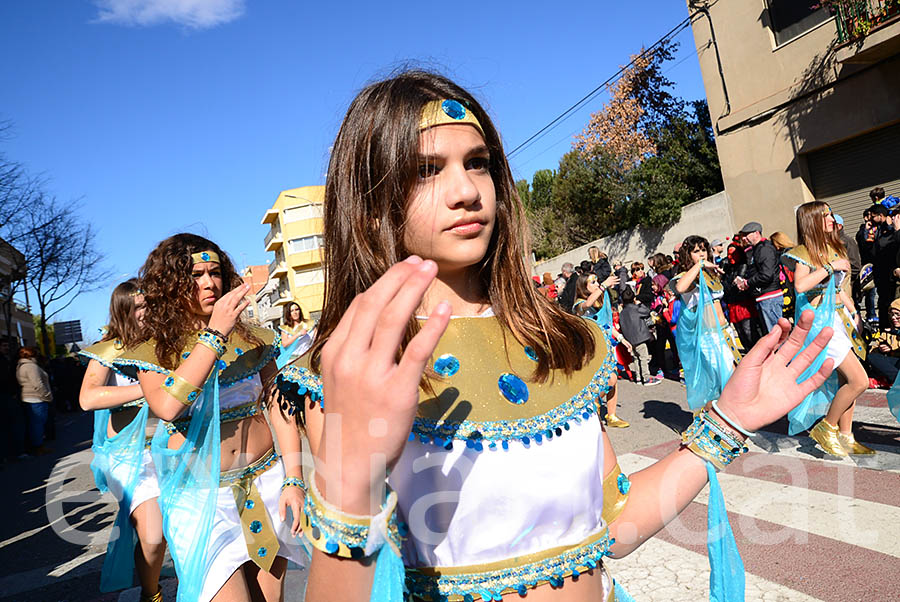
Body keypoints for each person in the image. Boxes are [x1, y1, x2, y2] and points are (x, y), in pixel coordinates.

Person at [270, 70, 836, 602]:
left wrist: (725, 423)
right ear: (370, 207)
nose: (466, 191)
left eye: (478, 162)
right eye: (426, 170)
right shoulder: (349, 369)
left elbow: (611, 525)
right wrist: (349, 486)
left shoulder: (569, 343)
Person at [107, 235, 306, 602]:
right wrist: (215, 335)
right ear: (169, 284)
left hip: (264, 484)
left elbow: (280, 407)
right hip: (201, 501)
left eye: (215, 272)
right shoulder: (152, 347)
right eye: (195, 274)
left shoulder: (255, 338)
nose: (209, 282)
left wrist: (294, 479)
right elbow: (168, 406)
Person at [79, 279, 166, 600]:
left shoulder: (164, 345)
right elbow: (87, 398)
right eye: (139, 307)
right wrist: (147, 390)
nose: (147, 313)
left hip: (174, 450)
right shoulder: (109, 350)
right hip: (131, 459)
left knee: (173, 530)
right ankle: (151, 593)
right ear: (123, 311)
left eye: (150, 305)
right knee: (153, 535)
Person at [783, 201, 872, 456]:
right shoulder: (803, 252)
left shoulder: (833, 247)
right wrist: (829, 268)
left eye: (831, 214)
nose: (832, 218)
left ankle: (845, 436)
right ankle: (827, 427)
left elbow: (838, 290)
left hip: (839, 321)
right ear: (813, 221)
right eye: (826, 215)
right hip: (821, 326)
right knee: (859, 381)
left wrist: (853, 311)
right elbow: (800, 286)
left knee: (847, 380)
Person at [672, 235, 742, 409]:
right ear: (688, 255)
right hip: (708, 337)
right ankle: (719, 421)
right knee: (723, 383)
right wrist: (699, 265)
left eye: (704, 250)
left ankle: (724, 420)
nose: (702, 254)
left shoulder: (710, 274)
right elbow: (680, 288)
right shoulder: (686, 277)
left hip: (725, 332)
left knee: (733, 378)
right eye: (696, 251)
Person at [572, 274, 631, 427]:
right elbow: (586, 304)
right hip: (591, 350)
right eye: (593, 282)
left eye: (597, 281)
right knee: (607, 379)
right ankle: (589, 404)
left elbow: (607, 325)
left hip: (606, 347)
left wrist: (621, 339)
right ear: (584, 287)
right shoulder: (579, 304)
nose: (597, 284)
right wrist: (603, 285)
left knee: (614, 377)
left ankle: (611, 415)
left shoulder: (601, 299)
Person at [734, 222, 784, 335]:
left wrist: (747, 283)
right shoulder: (757, 249)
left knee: (775, 334)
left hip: (770, 297)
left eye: (747, 235)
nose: (744, 238)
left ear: (756, 233)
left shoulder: (764, 249)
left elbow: (766, 274)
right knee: (771, 333)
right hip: (764, 297)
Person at [618, 287, 660, 387]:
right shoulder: (636, 309)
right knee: (643, 357)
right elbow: (646, 311)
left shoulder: (622, 313)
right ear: (633, 299)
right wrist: (639, 303)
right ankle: (645, 377)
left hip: (629, 339)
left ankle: (638, 377)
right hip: (640, 337)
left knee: (636, 358)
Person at [16, 347, 52, 455]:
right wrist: (47, 395)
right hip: (36, 398)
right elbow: (37, 384)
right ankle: (38, 446)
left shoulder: (20, 366)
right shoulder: (31, 366)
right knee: (38, 424)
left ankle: (36, 445)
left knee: (33, 423)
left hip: (28, 397)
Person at [868, 297, 900, 383]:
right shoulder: (887, 332)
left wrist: (892, 347)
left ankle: (893, 380)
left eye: (897, 314)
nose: (894, 317)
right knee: (872, 357)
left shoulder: (892, 331)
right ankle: (896, 379)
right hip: (892, 366)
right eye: (892, 314)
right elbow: (873, 350)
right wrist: (880, 350)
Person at [278, 301, 313, 368]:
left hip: (309, 358)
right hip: (293, 360)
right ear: (288, 313)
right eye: (292, 311)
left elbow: (317, 339)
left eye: (297, 310)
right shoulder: (286, 329)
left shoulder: (309, 324)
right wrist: (299, 334)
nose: (295, 312)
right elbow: (285, 344)